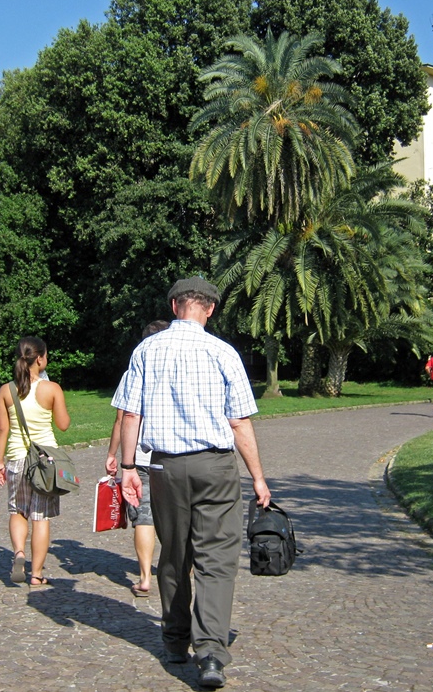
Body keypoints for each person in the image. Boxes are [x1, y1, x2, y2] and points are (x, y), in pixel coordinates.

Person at [114, 277, 271, 689]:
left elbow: (131, 415)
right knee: (217, 560)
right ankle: (212, 654)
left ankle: (174, 639)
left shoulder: (146, 350)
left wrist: (128, 467)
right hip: (216, 467)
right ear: (210, 309)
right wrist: (257, 477)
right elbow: (238, 421)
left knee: (175, 553)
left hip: (164, 467)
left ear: (174, 305)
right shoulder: (224, 352)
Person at [0, 337, 70, 586]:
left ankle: (19, 553)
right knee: (40, 517)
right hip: (44, 461)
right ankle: (36, 574)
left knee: (18, 511)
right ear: (39, 359)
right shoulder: (52, 389)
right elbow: (63, 425)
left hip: (16, 458)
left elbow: (2, 430)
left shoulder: (6, 390)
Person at [105, 319, 170, 598]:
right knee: (177, 516)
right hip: (171, 455)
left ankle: (145, 578)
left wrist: (113, 455)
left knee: (144, 517)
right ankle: (184, 569)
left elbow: (122, 419)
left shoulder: (133, 373)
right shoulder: (178, 371)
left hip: (139, 457)